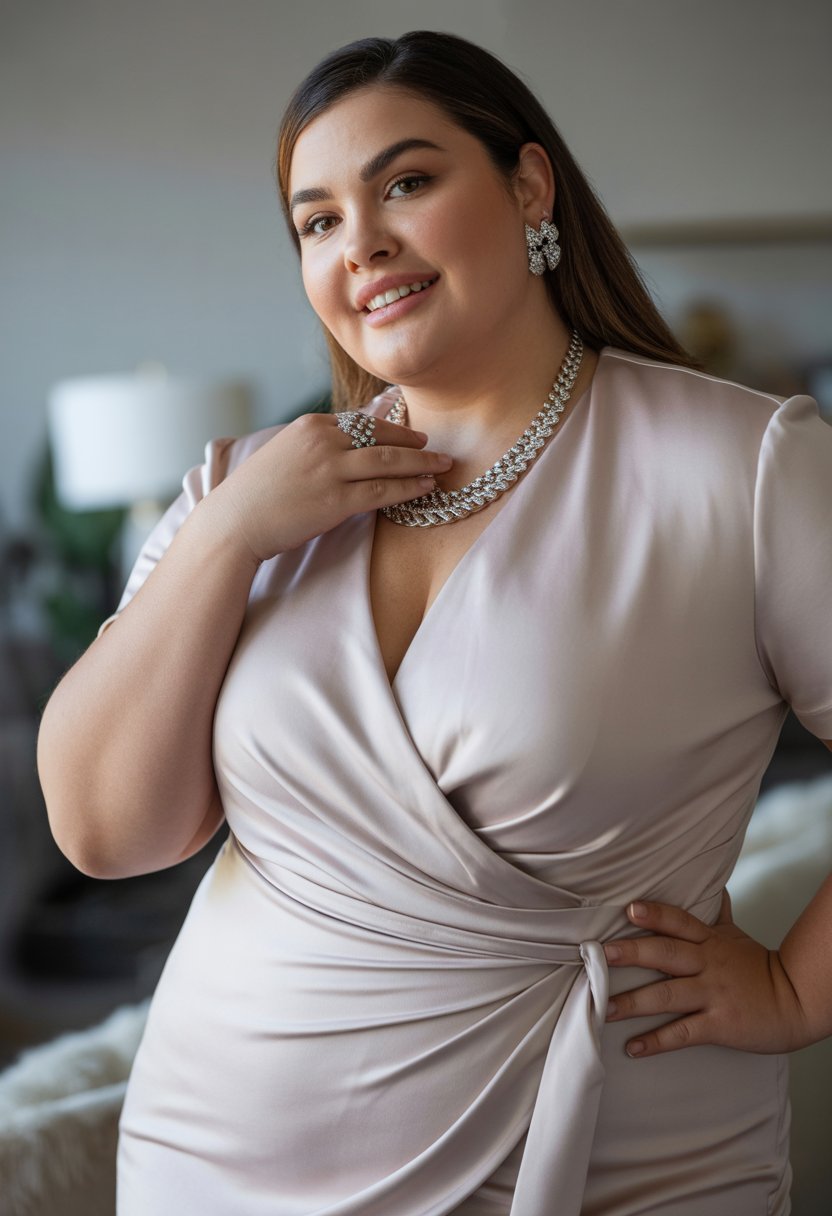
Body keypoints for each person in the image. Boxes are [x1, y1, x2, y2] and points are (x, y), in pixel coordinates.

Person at [37, 29, 832, 1216]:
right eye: (316, 221)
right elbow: (106, 832)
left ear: (529, 187)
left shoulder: (741, 465)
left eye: (404, 182)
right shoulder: (245, 492)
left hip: (613, 1163)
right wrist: (226, 536)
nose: (359, 242)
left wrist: (796, 992)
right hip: (207, 1161)